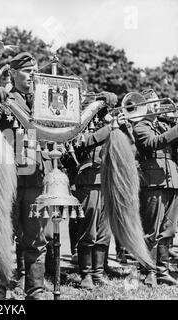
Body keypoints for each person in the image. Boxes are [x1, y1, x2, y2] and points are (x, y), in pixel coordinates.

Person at [0, 52, 52, 300]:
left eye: (34, 71)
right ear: (13, 74)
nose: (32, 75)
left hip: (36, 179)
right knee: (2, 233)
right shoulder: (3, 97)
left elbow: (72, 128)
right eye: (27, 71)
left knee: (35, 239)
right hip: (6, 179)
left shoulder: (47, 102)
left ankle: (35, 289)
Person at [74, 103, 129, 290]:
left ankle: (98, 273)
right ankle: (86, 275)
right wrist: (109, 127)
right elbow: (84, 142)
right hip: (89, 182)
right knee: (88, 231)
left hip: (109, 182)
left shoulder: (113, 126)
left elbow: (129, 145)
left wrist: (121, 126)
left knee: (104, 232)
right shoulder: (82, 124)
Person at [133, 89, 178, 286]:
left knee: (168, 230)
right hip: (153, 183)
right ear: (143, 105)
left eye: (158, 102)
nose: (157, 105)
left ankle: (162, 270)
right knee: (151, 230)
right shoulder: (140, 126)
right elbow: (154, 143)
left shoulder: (163, 124)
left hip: (172, 180)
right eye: (153, 102)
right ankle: (147, 271)